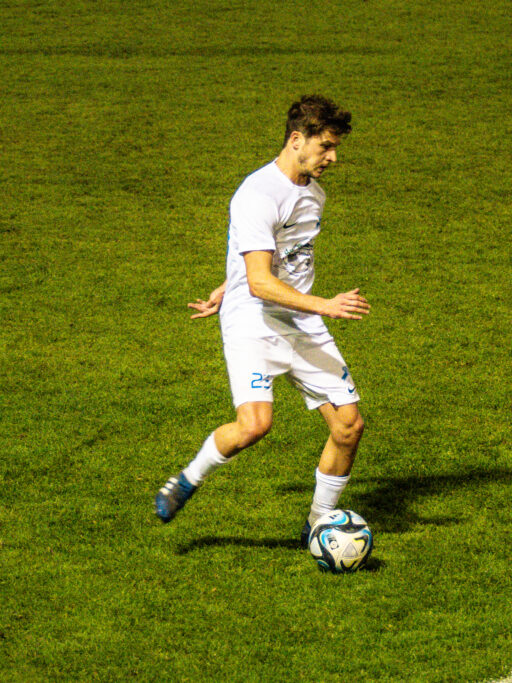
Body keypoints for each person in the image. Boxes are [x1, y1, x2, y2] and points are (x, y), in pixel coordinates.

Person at [155, 95, 370, 547]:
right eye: (326, 146)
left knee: (348, 426)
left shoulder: (313, 193)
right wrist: (325, 305)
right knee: (254, 424)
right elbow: (257, 282)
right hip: (254, 318)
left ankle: (318, 524)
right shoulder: (257, 194)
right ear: (297, 140)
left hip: (299, 316)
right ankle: (188, 478)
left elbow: (273, 256)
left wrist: (227, 282)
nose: (333, 158)